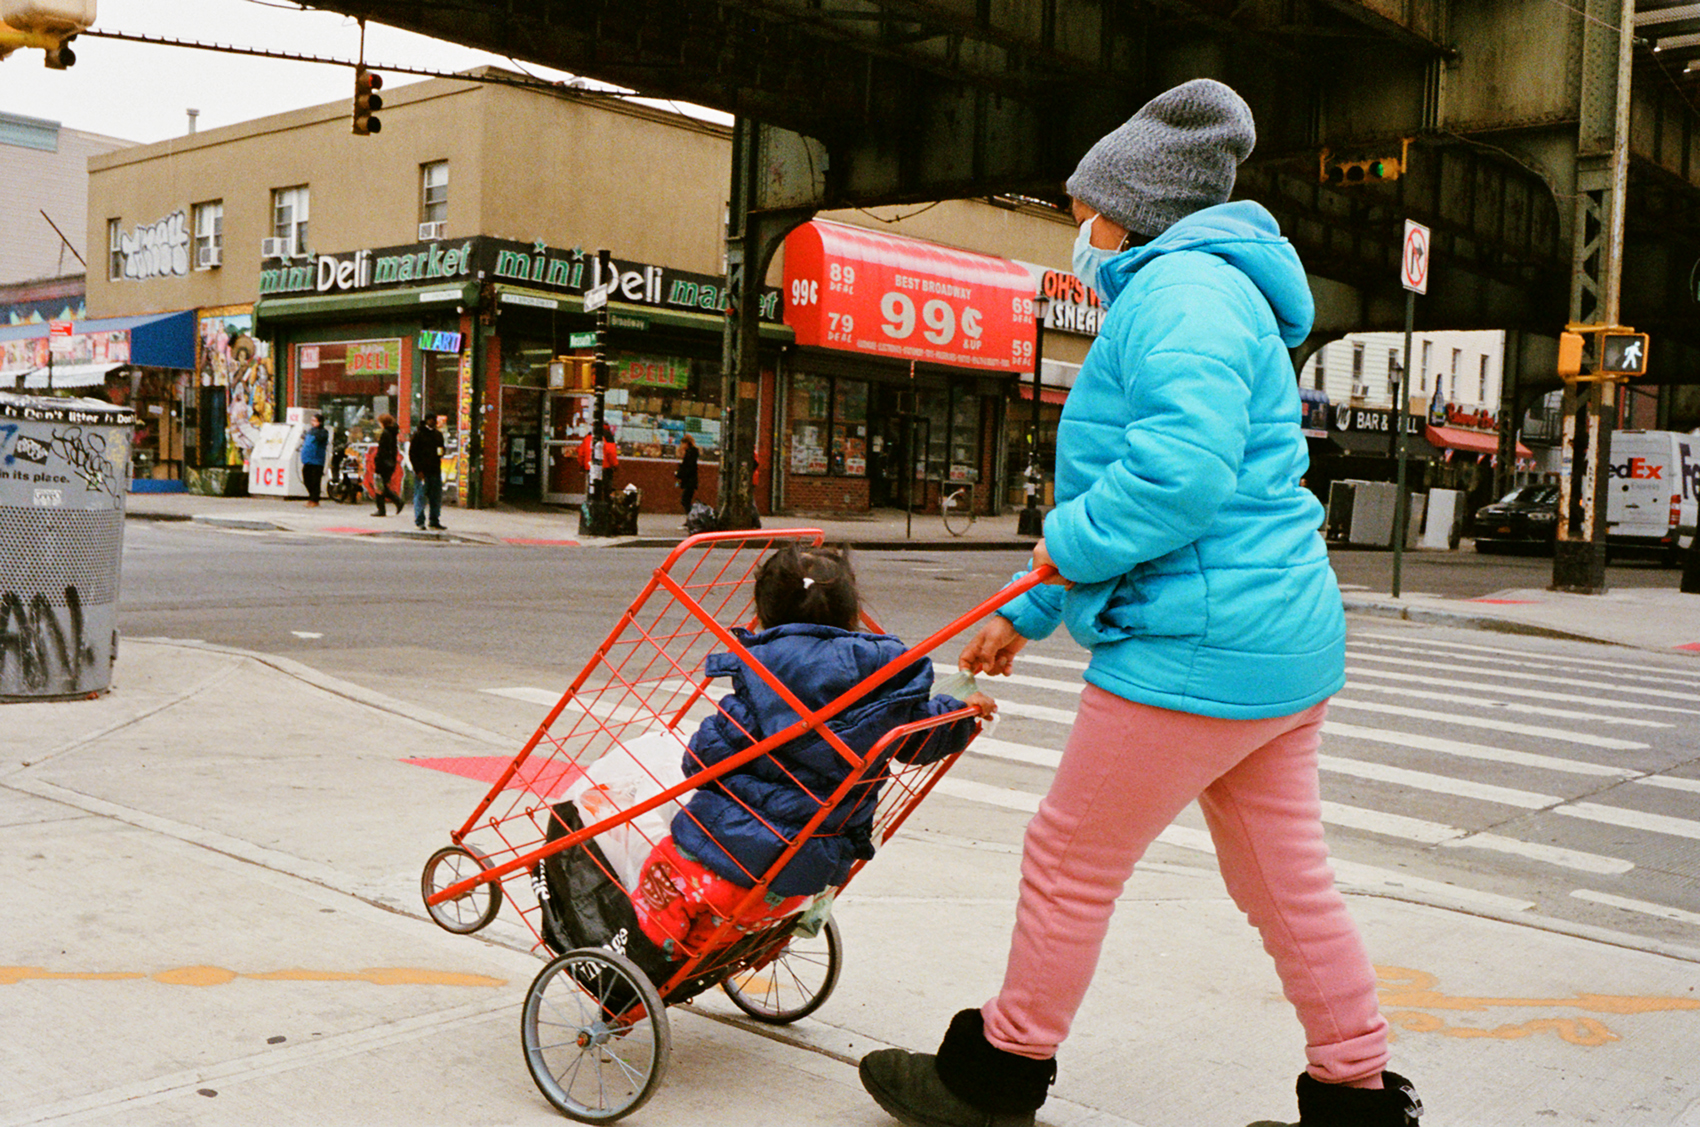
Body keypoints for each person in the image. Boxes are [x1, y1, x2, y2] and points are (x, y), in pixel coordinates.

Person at [857, 79, 1422, 1127]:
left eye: (1083, 209)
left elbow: (1175, 480)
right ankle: (1355, 1097)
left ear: (1129, 210)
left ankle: (996, 1073)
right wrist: (1029, 607)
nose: (1077, 230)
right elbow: (1176, 489)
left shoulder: (1177, 296)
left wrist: (1055, 551)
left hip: (1193, 641)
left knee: (1069, 859)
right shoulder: (1217, 291)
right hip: (1275, 638)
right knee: (1285, 882)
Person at [630, 544, 997, 959]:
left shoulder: (759, 674)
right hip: (800, 879)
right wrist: (960, 713)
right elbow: (920, 738)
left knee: (658, 867)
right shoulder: (885, 681)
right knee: (740, 903)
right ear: (852, 613)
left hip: (717, 862)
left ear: (765, 614)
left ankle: (647, 958)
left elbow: (699, 759)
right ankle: (720, 951)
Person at [411, 413, 447, 530]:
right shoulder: (419, 434)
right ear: (426, 421)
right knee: (420, 496)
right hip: (423, 471)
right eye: (430, 420)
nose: (433, 422)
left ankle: (434, 520)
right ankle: (420, 521)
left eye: (434, 420)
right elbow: (413, 453)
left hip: (435, 470)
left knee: (435, 497)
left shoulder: (438, 435)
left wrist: (442, 452)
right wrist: (418, 470)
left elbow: (441, 449)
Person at [371, 413, 404, 517]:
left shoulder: (385, 433)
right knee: (382, 485)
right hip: (390, 463)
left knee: (380, 486)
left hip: (383, 463)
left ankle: (393, 503)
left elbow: (383, 450)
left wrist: (378, 461)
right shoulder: (392, 433)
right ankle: (390, 505)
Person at [578, 421, 618, 492]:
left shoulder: (588, 437)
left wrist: (581, 465)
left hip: (590, 467)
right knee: (604, 490)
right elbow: (611, 452)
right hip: (604, 467)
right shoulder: (608, 436)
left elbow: (581, 453)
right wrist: (615, 465)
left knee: (591, 488)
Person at [299, 411, 327, 507]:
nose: (312, 422)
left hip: (317, 460)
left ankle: (314, 499)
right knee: (307, 479)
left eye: (315, 421)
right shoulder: (310, 431)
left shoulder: (322, 432)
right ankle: (311, 497)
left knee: (315, 481)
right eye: (312, 420)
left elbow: (321, 438)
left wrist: (314, 432)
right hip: (307, 459)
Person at [675, 433, 699, 514]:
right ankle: (691, 516)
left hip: (690, 481)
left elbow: (688, 467)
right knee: (686, 500)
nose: (681, 446)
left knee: (685, 500)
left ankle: (691, 516)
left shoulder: (690, 453)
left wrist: (679, 473)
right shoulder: (691, 452)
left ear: (686, 443)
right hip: (690, 480)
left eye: (682, 443)